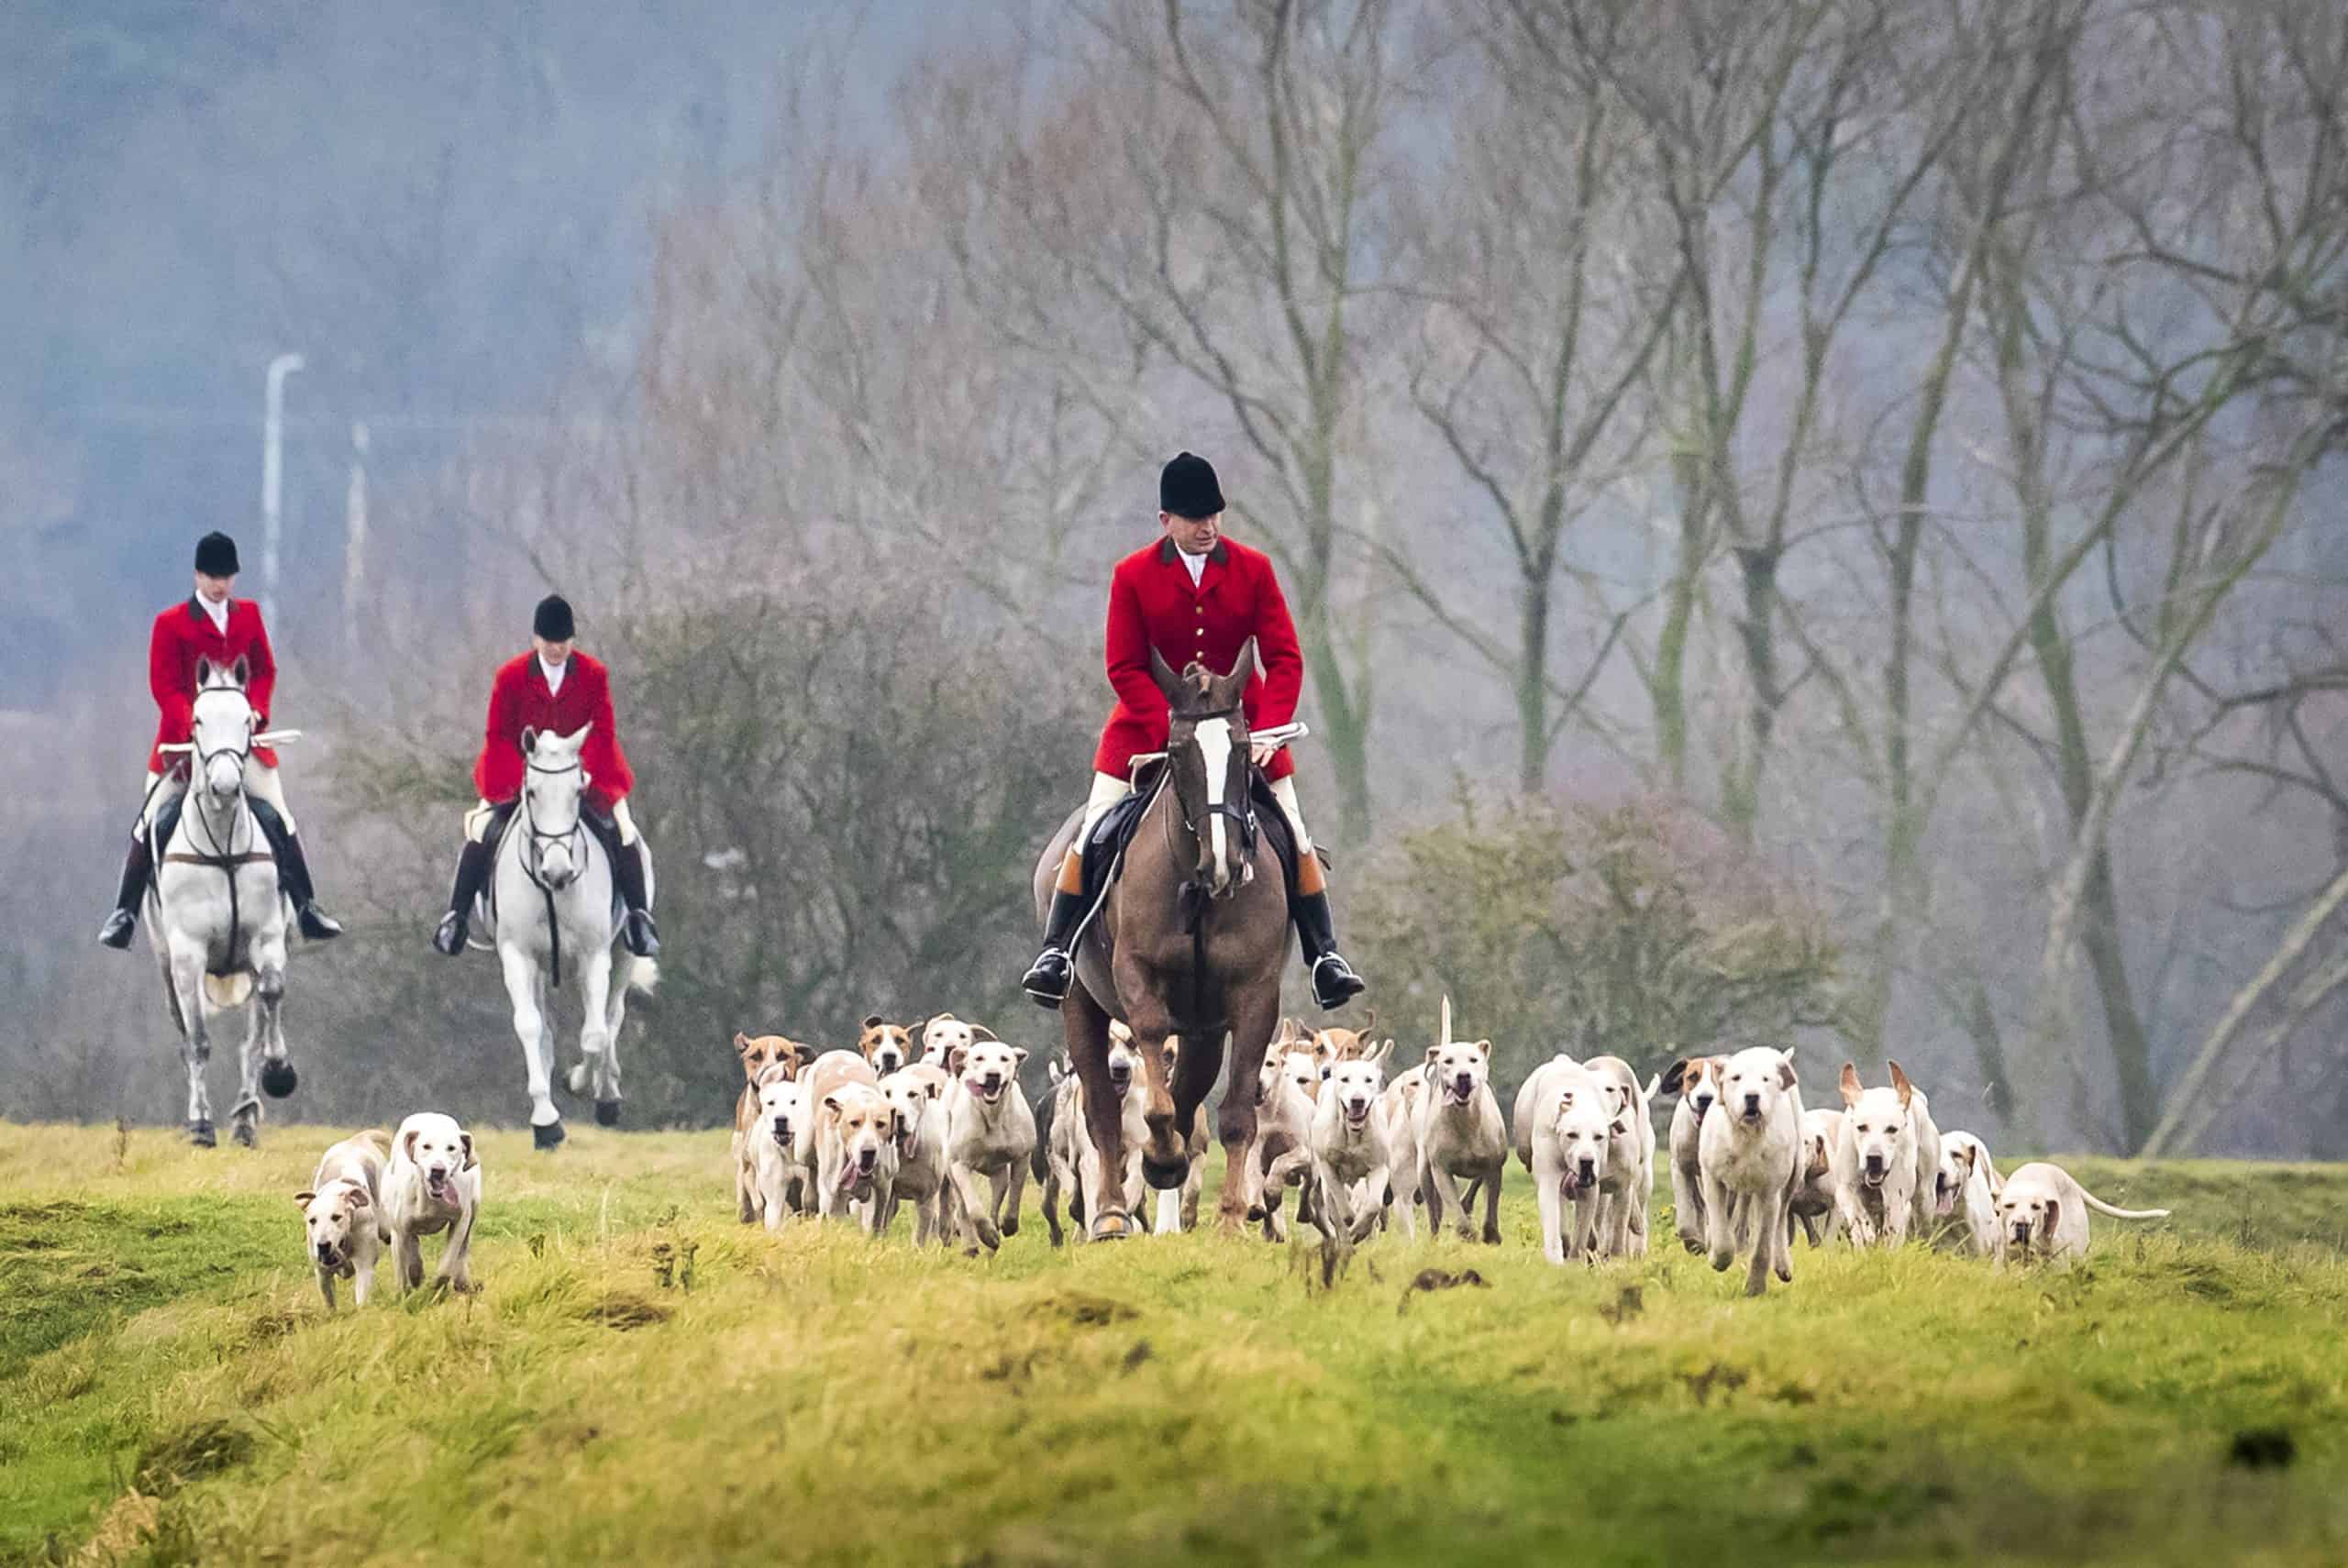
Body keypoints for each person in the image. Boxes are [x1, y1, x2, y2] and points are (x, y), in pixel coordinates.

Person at [1023, 451, 1366, 1011]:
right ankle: (1057, 952)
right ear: (1166, 522)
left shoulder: (1254, 569)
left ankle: (1325, 955)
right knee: (1092, 834)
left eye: (1214, 515)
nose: (1207, 527)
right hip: (1146, 737)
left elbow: (1284, 658)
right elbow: (1124, 667)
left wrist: (1270, 731)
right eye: (1194, 518)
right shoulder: (1131, 576)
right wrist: (1176, 732)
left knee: (1297, 834)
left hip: (1245, 739)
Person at [97, 532, 341, 948]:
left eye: (226, 576)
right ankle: (125, 913)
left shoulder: (248, 615)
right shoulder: (171, 623)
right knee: (149, 822)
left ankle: (307, 907)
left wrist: (257, 711)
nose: (219, 584)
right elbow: (164, 686)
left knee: (281, 816)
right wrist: (192, 723)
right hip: (184, 748)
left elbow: (264, 670)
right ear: (197, 575)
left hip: (243, 746)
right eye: (212, 576)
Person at [431, 594, 659, 959]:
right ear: (537, 640)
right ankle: (456, 918)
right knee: (479, 829)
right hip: (524, 778)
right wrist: (520, 779)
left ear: (572, 641)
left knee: (624, 829)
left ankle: (638, 918)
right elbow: (499, 735)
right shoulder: (510, 677)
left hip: (582, 776)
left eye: (563, 642)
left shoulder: (594, 674)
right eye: (550, 642)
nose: (556, 649)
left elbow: (603, 732)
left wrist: (586, 776)